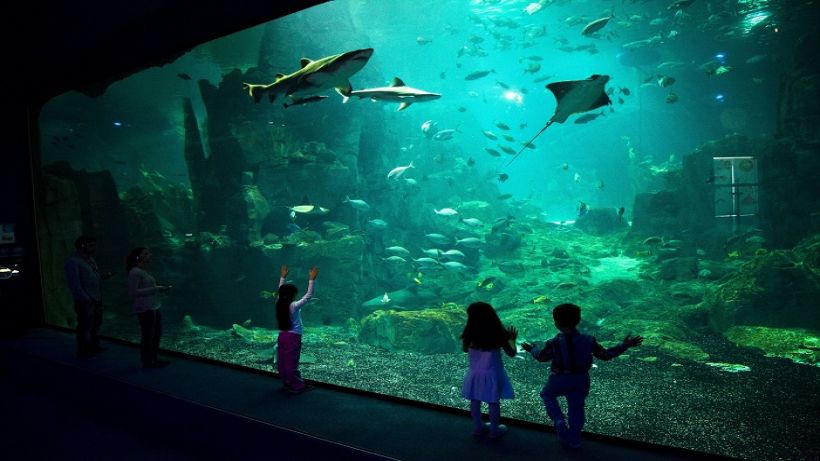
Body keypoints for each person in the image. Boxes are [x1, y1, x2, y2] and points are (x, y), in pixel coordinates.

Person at [522, 303, 643, 449]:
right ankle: (575, 440)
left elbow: (542, 357)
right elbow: (605, 355)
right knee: (576, 408)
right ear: (579, 320)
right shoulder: (589, 339)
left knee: (546, 394)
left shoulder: (553, 342)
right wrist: (624, 345)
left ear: (556, 323)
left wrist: (532, 349)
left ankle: (558, 419)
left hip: (558, 379)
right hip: (580, 380)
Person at [460, 301, 518, 438]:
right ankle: (494, 430)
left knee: (475, 401)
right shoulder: (498, 332)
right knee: (493, 402)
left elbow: (464, 349)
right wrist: (512, 340)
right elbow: (511, 353)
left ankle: (478, 427)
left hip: (474, 373)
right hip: (492, 373)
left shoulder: (469, 332)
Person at [64, 235, 114, 357]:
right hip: (85, 302)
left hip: (96, 299)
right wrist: (86, 298)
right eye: (91, 245)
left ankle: (94, 346)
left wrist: (104, 276)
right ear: (82, 246)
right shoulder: (73, 262)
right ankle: (84, 350)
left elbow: (92, 277)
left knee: (96, 324)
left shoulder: (90, 259)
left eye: (94, 245)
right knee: (85, 326)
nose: (94, 248)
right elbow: (74, 284)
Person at [126, 247, 172, 368]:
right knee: (148, 336)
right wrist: (156, 288)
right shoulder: (135, 272)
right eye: (146, 253)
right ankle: (147, 361)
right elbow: (133, 292)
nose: (149, 255)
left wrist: (160, 290)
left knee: (156, 333)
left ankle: (153, 358)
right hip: (145, 308)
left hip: (153, 306)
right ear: (138, 257)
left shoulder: (143, 271)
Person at [276, 264, 318, 394]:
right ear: (292, 296)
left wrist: (282, 277)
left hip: (282, 335)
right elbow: (308, 296)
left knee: (282, 359)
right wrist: (312, 279)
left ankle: (286, 382)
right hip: (293, 336)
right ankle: (297, 385)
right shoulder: (293, 306)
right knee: (292, 360)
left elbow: (280, 291)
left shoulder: (278, 302)